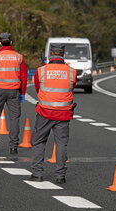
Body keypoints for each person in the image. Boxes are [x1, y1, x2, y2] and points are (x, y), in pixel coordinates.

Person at [28, 44, 77, 184]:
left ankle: (37, 173)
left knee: (39, 142)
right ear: (63, 54)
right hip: (63, 114)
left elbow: (38, 88)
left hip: (44, 112)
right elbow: (72, 87)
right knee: (61, 144)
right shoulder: (72, 72)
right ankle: (60, 176)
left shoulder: (41, 71)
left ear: (50, 54)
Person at [0, 32, 27, 154]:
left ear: (0, 42)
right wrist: (23, 93)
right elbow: (24, 77)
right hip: (14, 91)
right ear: (11, 42)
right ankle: (14, 147)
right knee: (14, 119)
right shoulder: (19, 57)